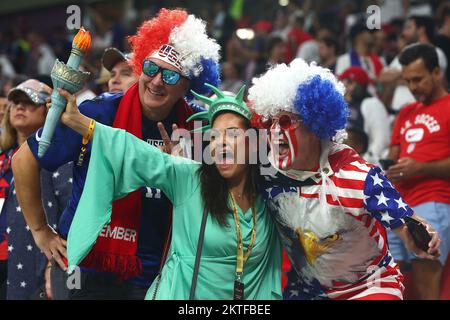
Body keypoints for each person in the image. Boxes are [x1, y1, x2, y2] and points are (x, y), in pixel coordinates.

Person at [12, 8, 220, 300]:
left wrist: (180, 169)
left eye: (171, 76)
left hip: (156, 273)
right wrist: (40, 230)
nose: (157, 81)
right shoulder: (100, 111)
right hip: (84, 265)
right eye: (151, 69)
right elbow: (23, 159)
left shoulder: (199, 126)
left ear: (188, 85)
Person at [58, 84, 282, 300]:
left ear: (254, 144)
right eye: (213, 136)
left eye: (232, 134)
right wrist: (78, 121)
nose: (220, 143)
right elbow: (133, 150)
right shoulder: (190, 178)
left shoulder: (269, 200)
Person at [248, 58, 440, 300]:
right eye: (269, 122)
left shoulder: (356, 176)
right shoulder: (266, 174)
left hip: (369, 287)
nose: (275, 131)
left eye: (285, 121)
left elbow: (405, 222)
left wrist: (419, 234)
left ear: (316, 124)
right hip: (307, 292)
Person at [386, 43, 450, 300]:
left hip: (432, 202)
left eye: (418, 79)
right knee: (392, 286)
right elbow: (392, 156)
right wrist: (391, 167)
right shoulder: (405, 112)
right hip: (397, 207)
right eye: (407, 81)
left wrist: (420, 167)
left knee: (426, 289)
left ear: (436, 72)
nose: (413, 88)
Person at [0, 79, 72, 300]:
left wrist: (54, 267)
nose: (19, 107)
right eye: (15, 102)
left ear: (48, 109)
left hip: (32, 266)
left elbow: (69, 214)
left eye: (29, 101)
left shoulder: (59, 160)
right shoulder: (2, 159)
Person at [338, 66, 391, 164]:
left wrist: (365, 162)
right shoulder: (341, 105)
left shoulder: (371, 103)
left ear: (359, 87)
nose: (344, 86)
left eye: (349, 82)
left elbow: (382, 139)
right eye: (342, 81)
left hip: (363, 160)